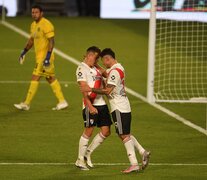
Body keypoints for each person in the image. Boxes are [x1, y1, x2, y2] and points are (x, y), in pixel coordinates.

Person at [80, 48, 150, 173]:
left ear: (108, 59)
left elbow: (108, 91)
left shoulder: (114, 72)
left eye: (103, 60)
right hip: (124, 106)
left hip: (118, 107)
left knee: (123, 135)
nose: (103, 63)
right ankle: (142, 152)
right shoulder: (119, 68)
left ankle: (134, 163)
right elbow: (104, 72)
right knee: (124, 133)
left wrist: (89, 89)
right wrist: (95, 64)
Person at [14, 5, 68, 111]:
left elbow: (52, 41)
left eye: (36, 12)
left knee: (35, 77)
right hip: (39, 57)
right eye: (33, 12)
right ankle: (62, 101)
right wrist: (24, 52)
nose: (34, 14)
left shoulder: (46, 24)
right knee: (50, 78)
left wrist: (47, 57)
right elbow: (31, 41)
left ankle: (26, 103)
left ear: (41, 13)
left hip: (44, 58)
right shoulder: (33, 25)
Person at [75, 46, 112, 170]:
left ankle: (87, 153)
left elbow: (106, 74)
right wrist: (90, 106)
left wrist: (97, 66)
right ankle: (80, 160)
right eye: (96, 58)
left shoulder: (95, 67)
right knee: (89, 131)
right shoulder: (81, 69)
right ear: (89, 55)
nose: (97, 61)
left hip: (101, 103)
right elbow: (83, 89)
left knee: (106, 131)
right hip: (90, 104)